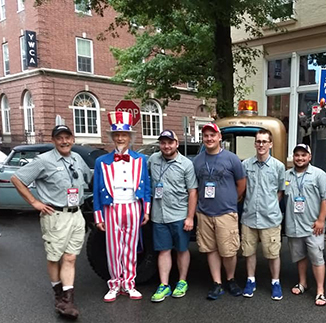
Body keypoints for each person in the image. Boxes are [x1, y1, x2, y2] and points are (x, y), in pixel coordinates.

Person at [11, 125, 92, 319]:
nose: (64, 141)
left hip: (76, 215)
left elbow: (89, 179)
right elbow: (17, 179)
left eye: (67, 137)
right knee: (55, 257)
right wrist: (34, 202)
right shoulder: (43, 161)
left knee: (71, 257)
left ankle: (68, 299)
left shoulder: (77, 159)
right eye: (60, 138)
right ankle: (59, 295)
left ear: (72, 139)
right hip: (55, 216)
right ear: (54, 140)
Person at [93, 111, 151, 303]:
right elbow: (96, 191)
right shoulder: (101, 162)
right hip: (112, 207)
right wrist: (98, 216)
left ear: (129, 137)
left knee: (130, 247)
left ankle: (129, 283)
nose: (120, 138)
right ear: (112, 137)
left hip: (133, 206)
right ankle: (114, 284)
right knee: (113, 248)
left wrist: (146, 210)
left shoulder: (140, 160)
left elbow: (146, 185)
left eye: (123, 135)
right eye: (116, 135)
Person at [192, 123, 246, 300]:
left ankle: (230, 279)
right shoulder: (198, 160)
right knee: (211, 249)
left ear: (219, 137)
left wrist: (231, 199)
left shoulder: (232, 159)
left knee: (229, 250)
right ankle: (217, 283)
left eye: (212, 135)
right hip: (204, 212)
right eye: (206, 136)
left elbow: (241, 184)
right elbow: (196, 187)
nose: (209, 139)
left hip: (226, 212)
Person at [148, 129, 198, 302]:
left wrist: (190, 217)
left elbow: (192, 192)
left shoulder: (186, 164)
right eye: (163, 142)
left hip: (179, 214)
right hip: (158, 215)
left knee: (182, 249)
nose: (166, 146)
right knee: (163, 250)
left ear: (176, 144)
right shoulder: (152, 160)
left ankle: (182, 281)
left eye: (170, 142)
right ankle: (164, 285)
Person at [284, 144, 326, 306]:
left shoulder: (319, 175)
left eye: (303, 155)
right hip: (294, 225)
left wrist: (321, 220)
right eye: (297, 155)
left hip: (313, 226)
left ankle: (320, 291)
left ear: (309, 157)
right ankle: (303, 283)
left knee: (317, 258)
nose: (300, 158)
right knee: (300, 256)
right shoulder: (286, 176)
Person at [241, 129, 285, 300]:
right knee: (249, 252)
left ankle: (275, 282)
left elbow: (280, 191)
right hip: (249, 217)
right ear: (254, 143)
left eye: (264, 141)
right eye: (258, 141)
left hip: (270, 218)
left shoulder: (278, 167)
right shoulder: (246, 165)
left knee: (273, 253)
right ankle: (250, 280)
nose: (261, 145)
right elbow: (243, 189)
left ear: (270, 144)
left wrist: (270, 205)